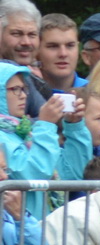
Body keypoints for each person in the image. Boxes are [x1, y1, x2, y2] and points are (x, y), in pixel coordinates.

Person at [0, 61, 92, 218]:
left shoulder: (24, 131)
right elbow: (33, 175)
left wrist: (74, 126)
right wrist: (46, 124)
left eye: (24, 89)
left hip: (38, 232)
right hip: (19, 235)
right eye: (15, 89)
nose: (23, 95)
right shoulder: (8, 136)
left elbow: (71, 173)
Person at [35, 13, 83, 94]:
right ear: (36, 51)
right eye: (53, 46)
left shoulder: (95, 92)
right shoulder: (24, 94)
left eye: (70, 46)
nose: (63, 54)